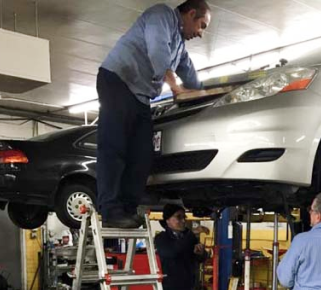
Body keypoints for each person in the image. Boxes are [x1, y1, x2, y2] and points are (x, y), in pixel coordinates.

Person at [96, 0, 211, 228]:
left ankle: (127, 209)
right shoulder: (162, 16)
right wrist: (174, 86)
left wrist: (212, 94)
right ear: (190, 13)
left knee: (142, 156)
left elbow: (192, 77)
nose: (200, 34)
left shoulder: (179, 46)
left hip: (141, 97)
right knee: (115, 147)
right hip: (118, 80)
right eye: (201, 25)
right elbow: (158, 51)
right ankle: (110, 209)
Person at [154, 204, 208, 290]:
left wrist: (201, 254)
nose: (183, 220)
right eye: (179, 217)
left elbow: (202, 258)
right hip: (170, 286)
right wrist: (192, 233)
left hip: (190, 286)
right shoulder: (161, 238)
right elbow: (171, 252)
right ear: (168, 220)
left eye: (184, 217)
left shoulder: (189, 237)